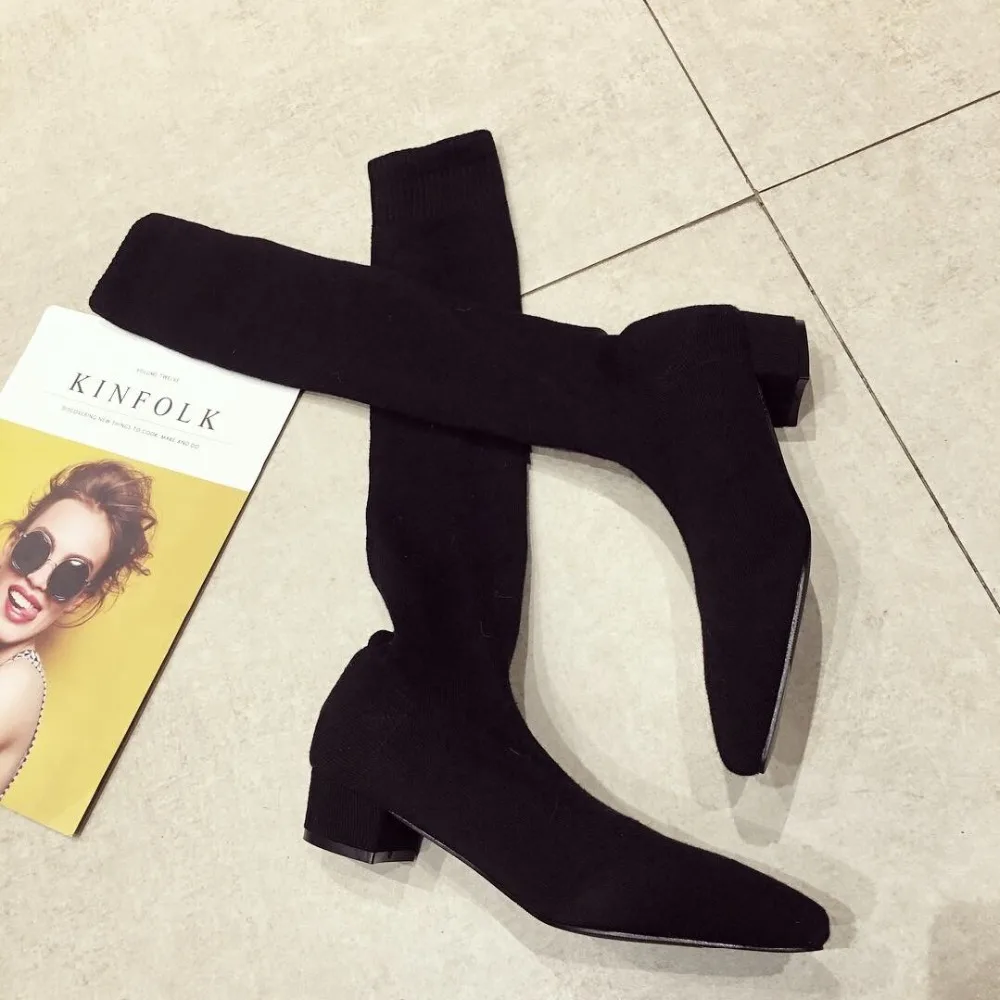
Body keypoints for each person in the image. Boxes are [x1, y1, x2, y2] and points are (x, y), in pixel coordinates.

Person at [0, 460, 156, 798]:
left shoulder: (14, 686)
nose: (38, 580)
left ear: (78, 599)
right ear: (12, 543)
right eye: (35, 550)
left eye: (69, 576)